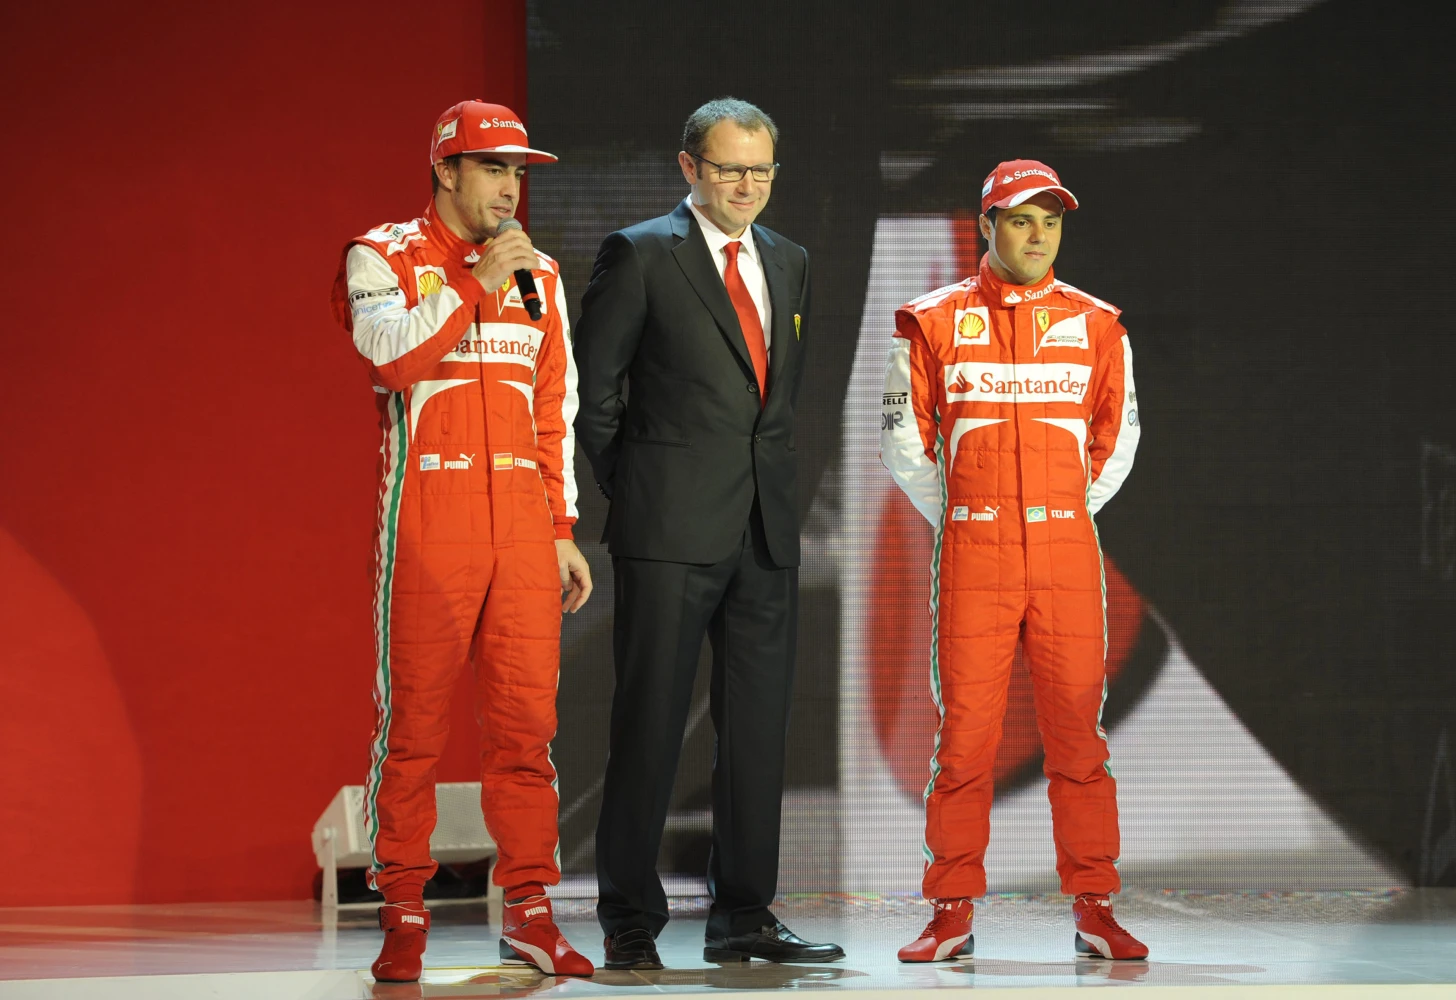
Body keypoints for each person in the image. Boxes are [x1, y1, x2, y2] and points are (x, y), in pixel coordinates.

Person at [573, 98, 843, 970]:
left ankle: (744, 916)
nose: (747, 186)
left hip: (765, 531)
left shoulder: (791, 259)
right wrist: (638, 492)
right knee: (649, 725)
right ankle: (628, 918)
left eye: (762, 171)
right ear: (689, 167)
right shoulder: (641, 252)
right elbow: (594, 396)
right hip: (667, 530)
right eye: (730, 169)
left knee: (757, 733)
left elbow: (776, 400)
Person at [331, 100, 595, 982]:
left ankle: (530, 913)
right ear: (445, 170)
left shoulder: (540, 274)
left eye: (518, 172)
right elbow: (389, 357)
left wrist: (561, 528)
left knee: (527, 732)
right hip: (429, 520)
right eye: (492, 168)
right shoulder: (383, 255)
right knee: (412, 729)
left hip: (521, 524)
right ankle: (403, 913)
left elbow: (555, 409)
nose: (510, 189)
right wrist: (473, 283)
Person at [880, 160, 1147, 962]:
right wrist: (966, 514)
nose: (1038, 236)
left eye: (1050, 221)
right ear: (986, 225)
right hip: (974, 550)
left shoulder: (1099, 324)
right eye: (1021, 220)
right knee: (964, 739)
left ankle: (1095, 907)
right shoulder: (929, 321)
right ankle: (950, 912)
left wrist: (1060, 511)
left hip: (1065, 550)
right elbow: (902, 441)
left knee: (1079, 738)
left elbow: (1119, 440)